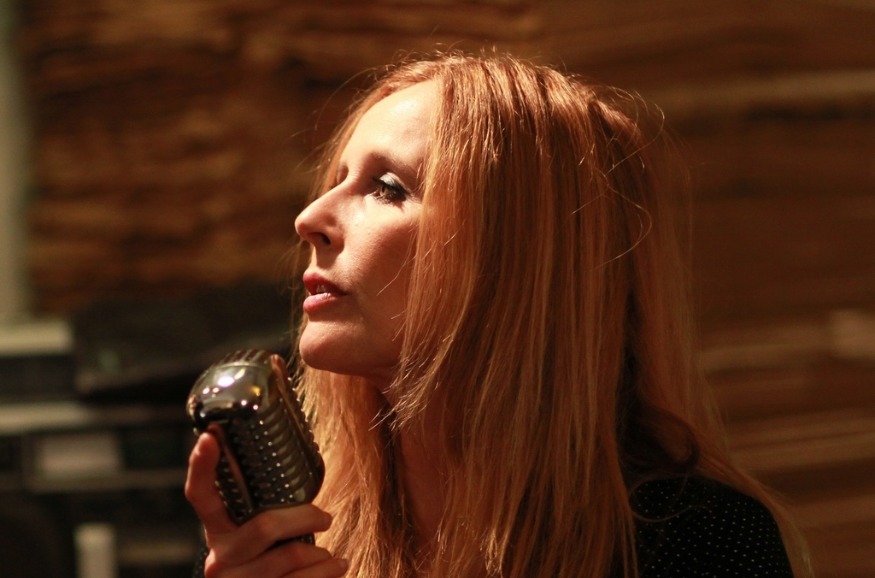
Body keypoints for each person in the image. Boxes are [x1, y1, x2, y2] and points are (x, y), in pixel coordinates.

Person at [185, 52, 809, 578]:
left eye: (388, 187)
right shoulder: (301, 537)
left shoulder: (701, 544)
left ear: (515, 256)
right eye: (338, 178)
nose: (310, 218)